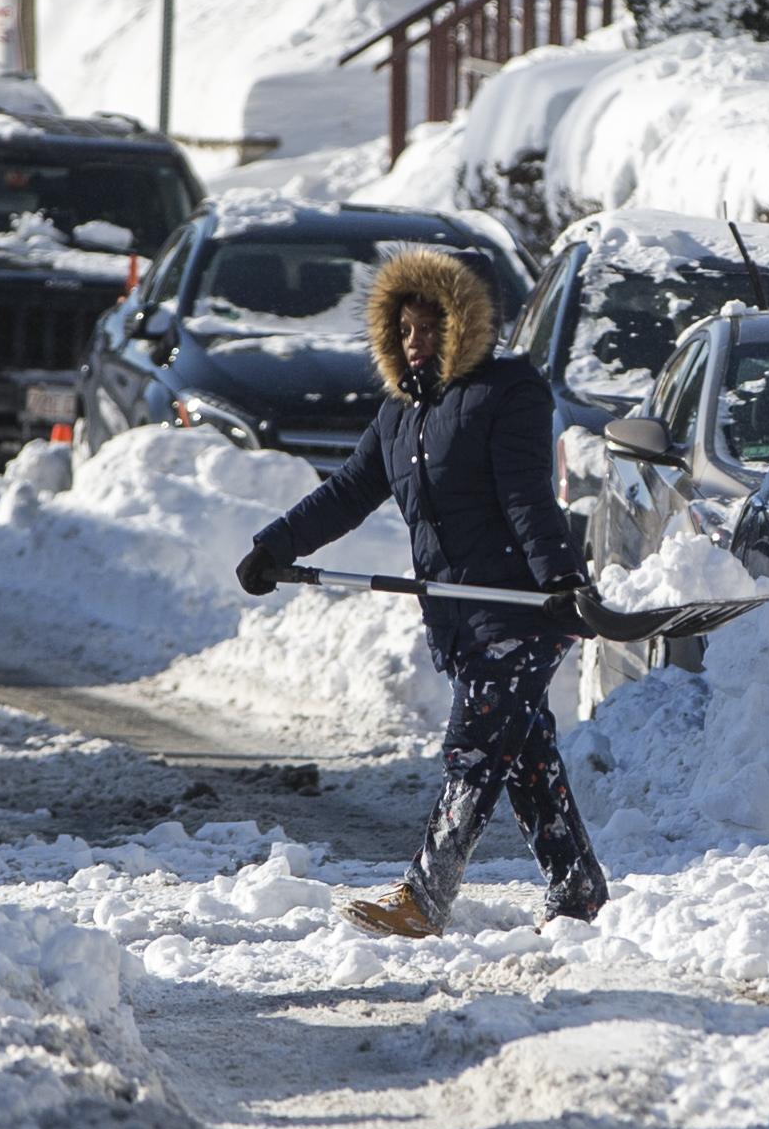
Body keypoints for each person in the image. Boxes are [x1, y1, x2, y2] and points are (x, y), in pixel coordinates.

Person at [234, 248, 606, 939]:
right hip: (459, 616)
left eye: (431, 327)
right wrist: (276, 546)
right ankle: (577, 886)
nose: (415, 342)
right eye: (404, 329)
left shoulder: (508, 393)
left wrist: (559, 580)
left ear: (469, 323)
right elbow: (348, 491)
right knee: (523, 756)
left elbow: (528, 498)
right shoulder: (399, 417)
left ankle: (425, 898)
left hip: (520, 609)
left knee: (473, 750)